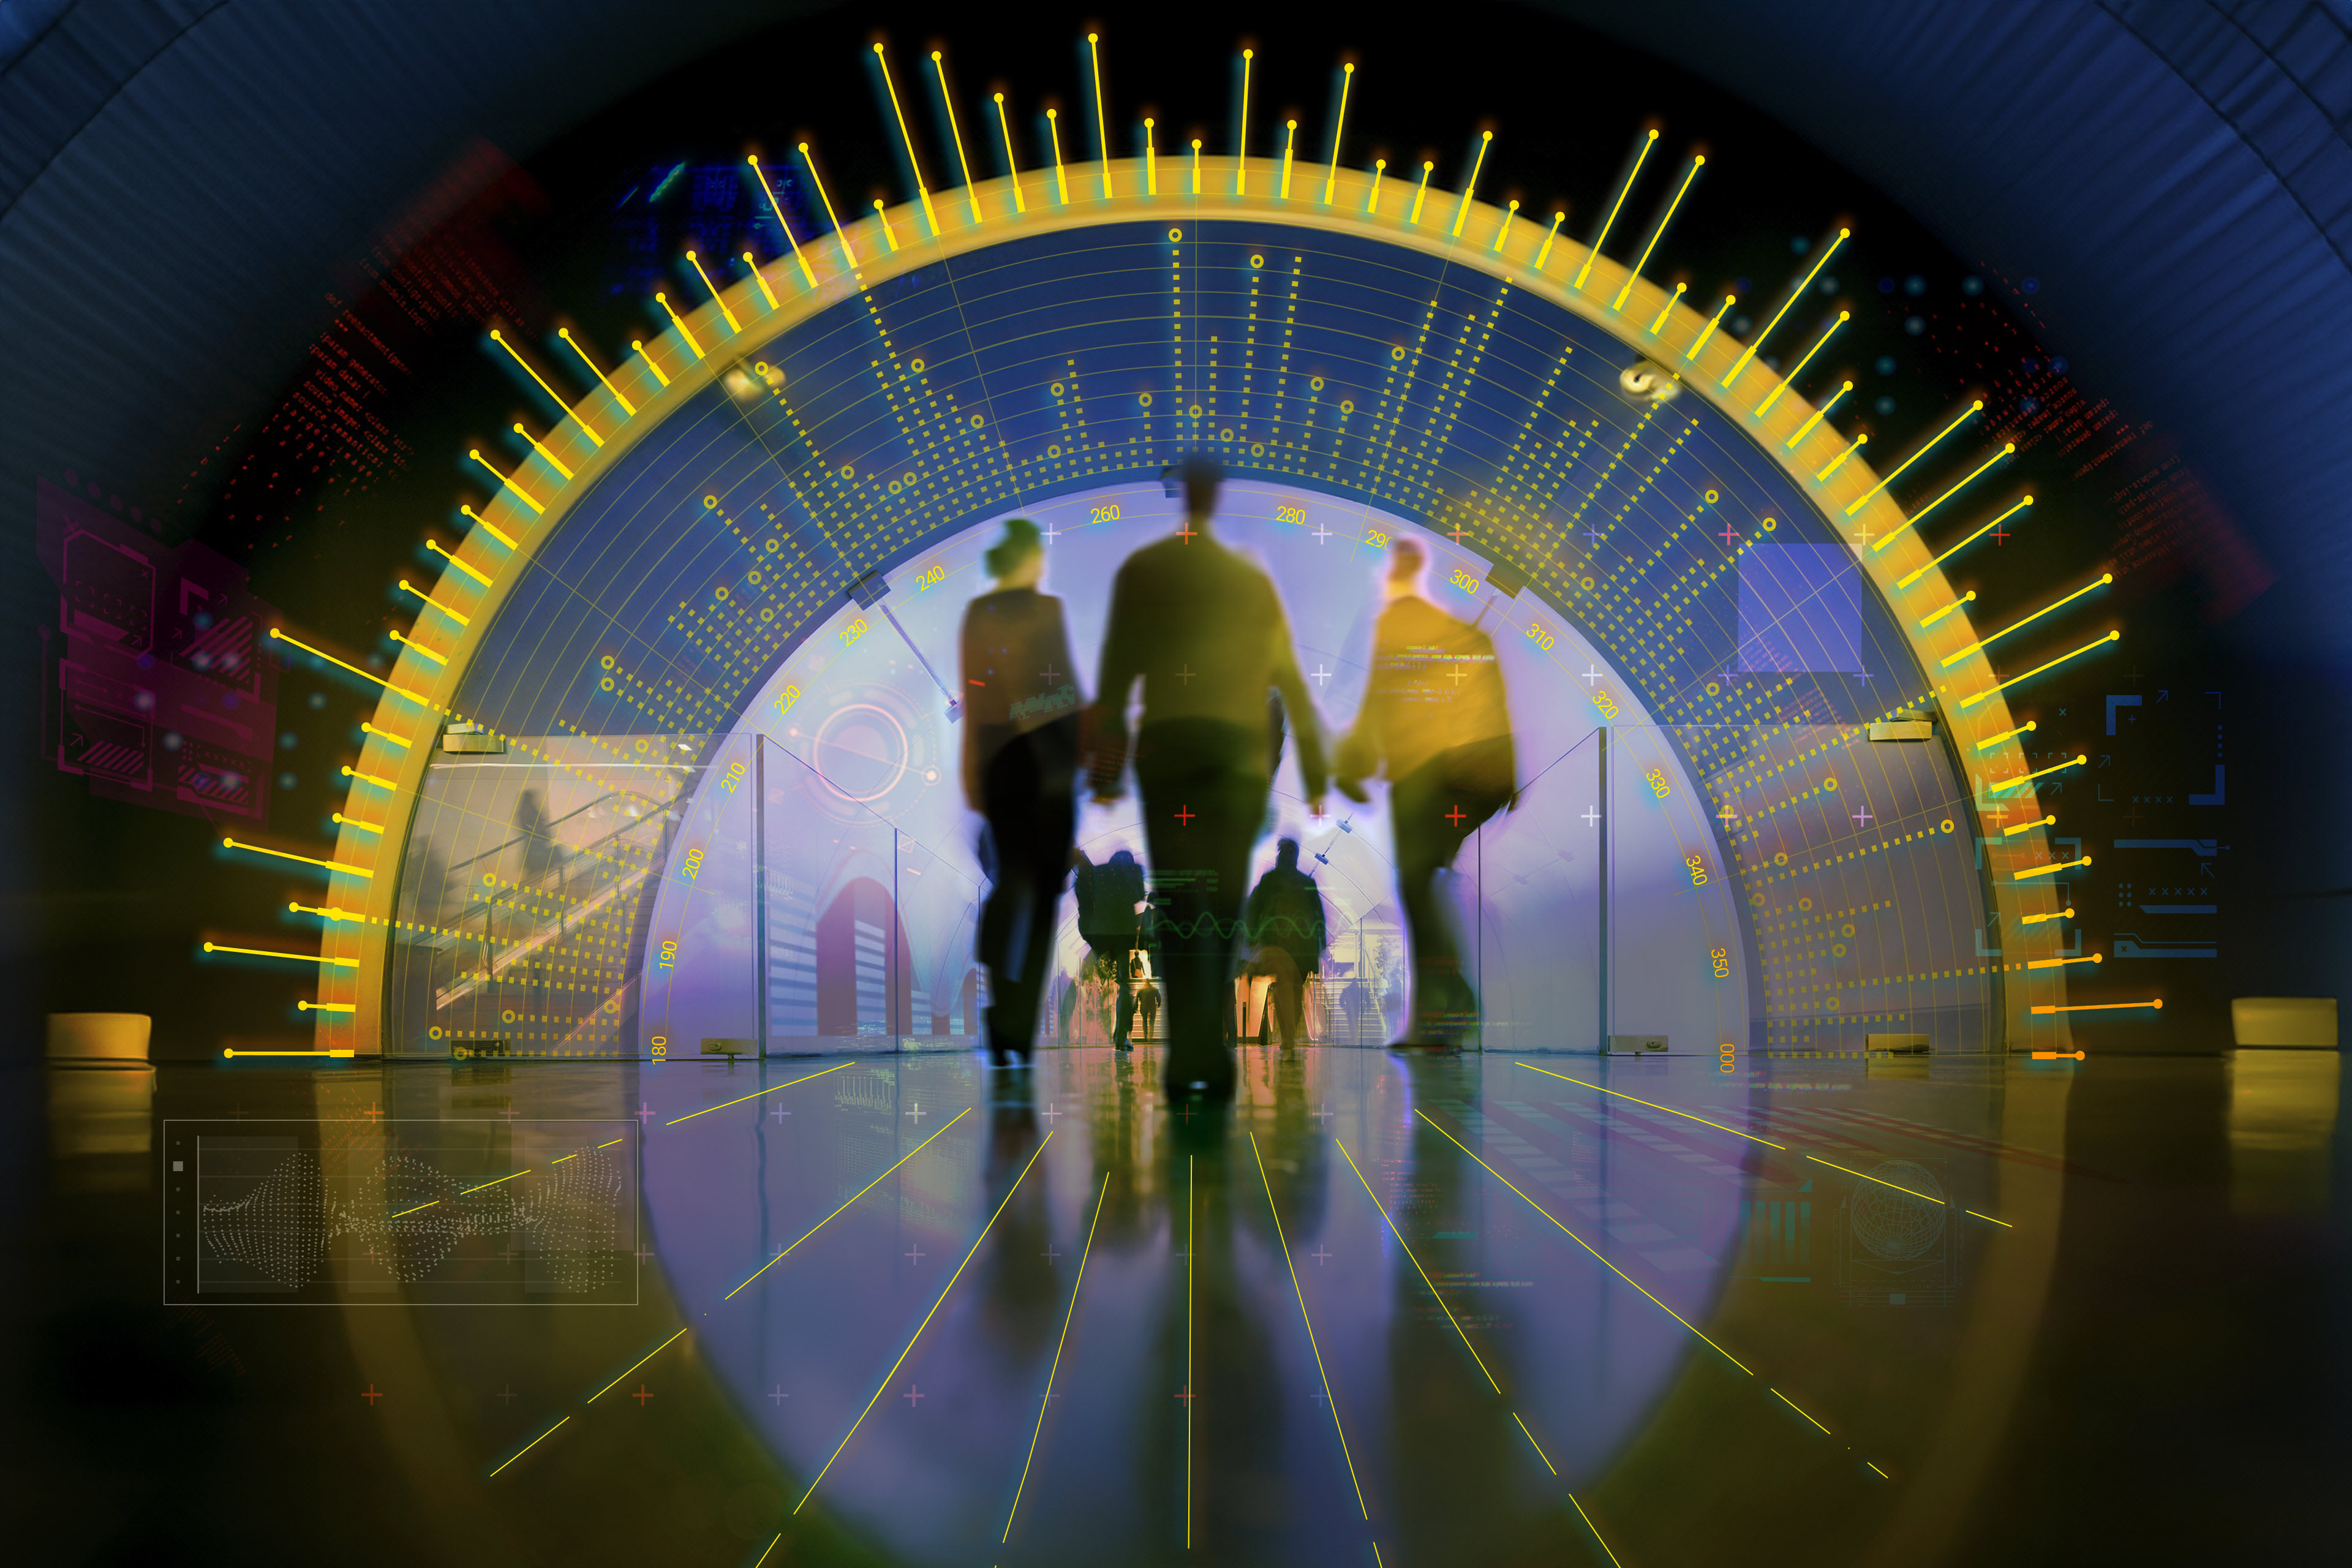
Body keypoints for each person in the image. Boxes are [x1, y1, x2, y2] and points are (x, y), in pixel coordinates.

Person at [1091, 456, 1327, 1098]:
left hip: (1169, 755)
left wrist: (1107, 769)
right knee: (1219, 899)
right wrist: (1308, 762)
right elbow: (1288, 681)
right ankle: (1206, 1048)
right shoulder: (1247, 580)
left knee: (1178, 898)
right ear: (1215, 498)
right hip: (1230, 763)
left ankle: (1192, 1044)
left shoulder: (1145, 570)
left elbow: (1116, 673)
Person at [1336, 536, 1517, 1050]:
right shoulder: (1464, 634)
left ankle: (1445, 1008)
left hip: (1432, 771)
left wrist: (1354, 763)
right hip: (1481, 772)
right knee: (1423, 878)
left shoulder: (1394, 624)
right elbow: (1491, 696)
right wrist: (1507, 773)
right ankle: (1444, 1009)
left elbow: (1378, 700)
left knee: (1416, 883)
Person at [962, 518, 1082, 1067]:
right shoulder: (1048, 611)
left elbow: (974, 694)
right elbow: (1066, 688)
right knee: (1043, 895)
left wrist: (974, 766)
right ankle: (1018, 1027)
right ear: (1031, 560)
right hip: (1050, 767)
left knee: (1013, 883)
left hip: (1003, 763)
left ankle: (1004, 1012)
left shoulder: (979, 614)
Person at [1241, 838, 1327, 1047]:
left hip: (1281, 943)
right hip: (1298, 947)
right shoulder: (1306, 883)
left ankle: (1288, 1033)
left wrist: (1252, 936)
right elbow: (1319, 917)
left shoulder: (1271, 880)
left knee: (1287, 987)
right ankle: (1288, 1035)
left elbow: (1255, 909)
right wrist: (1321, 942)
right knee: (1292, 987)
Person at [1071, 847, 1148, 1046]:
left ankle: (1088, 973)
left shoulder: (1099, 873)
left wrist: (1087, 915)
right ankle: (1121, 1037)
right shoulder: (1134, 871)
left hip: (1100, 933)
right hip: (1123, 934)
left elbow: (1081, 888)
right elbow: (1140, 894)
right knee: (1125, 984)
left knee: (1094, 971)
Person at [1135, 976, 1161, 1041]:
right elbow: (1159, 999)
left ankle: (1145, 1036)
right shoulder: (1155, 990)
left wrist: (1135, 1007)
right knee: (1152, 1022)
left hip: (1143, 1007)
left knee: (1144, 1021)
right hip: (1152, 1007)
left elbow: (1136, 1000)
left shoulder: (1140, 990)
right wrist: (1158, 1005)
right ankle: (1151, 1037)